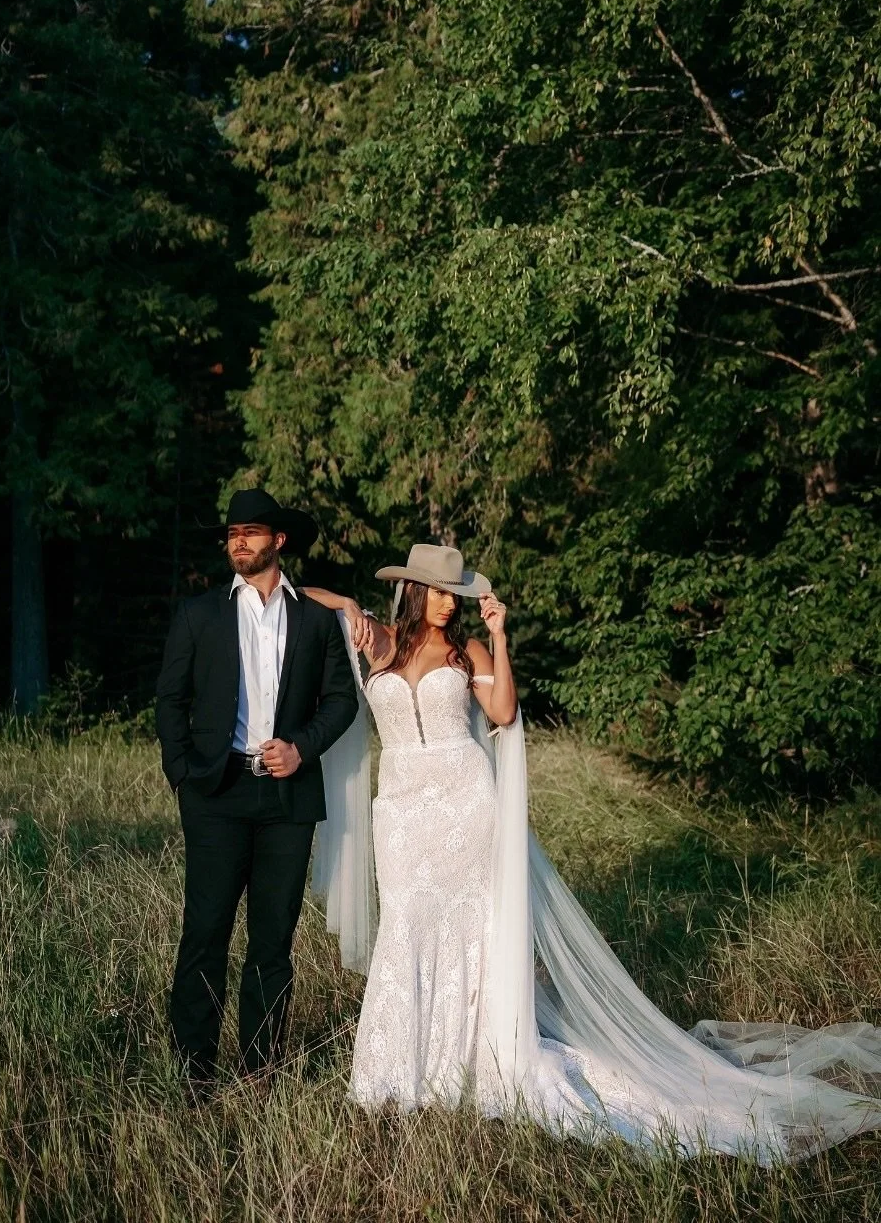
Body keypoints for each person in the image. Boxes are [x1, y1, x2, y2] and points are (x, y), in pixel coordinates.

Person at [303, 543, 881, 1162]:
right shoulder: (381, 642)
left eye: (457, 594)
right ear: (415, 590)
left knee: (473, 931)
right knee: (407, 928)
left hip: (465, 806)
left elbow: (501, 711)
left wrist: (497, 634)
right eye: (441, 591)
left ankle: (474, 1058)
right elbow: (296, 596)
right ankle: (398, 1071)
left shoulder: (464, 649)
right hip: (401, 814)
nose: (451, 603)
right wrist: (343, 602)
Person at [155, 489, 359, 1089]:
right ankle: (194, 1072)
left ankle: (259, 1070)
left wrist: (301, 746)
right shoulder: (200, 614)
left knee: (273, 940)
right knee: (206, 932)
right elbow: (170, 701)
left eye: (249, 532)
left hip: (286, 801)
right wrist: (183, 775)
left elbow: (342, 701)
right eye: (231, 533)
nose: (237, 542)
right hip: (215, 794)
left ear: (279, 541)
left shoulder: (316, 621)